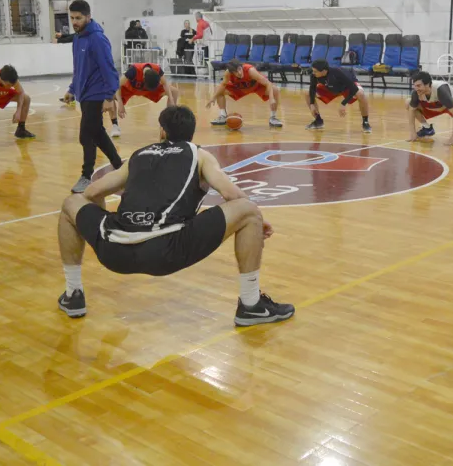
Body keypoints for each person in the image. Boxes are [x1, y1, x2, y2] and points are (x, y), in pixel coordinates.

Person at [56, 105, 296, 326]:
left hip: (114, 250)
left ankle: (73, 293)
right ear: (192, 133)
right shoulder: (200, 155)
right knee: (248, 210)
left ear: (162, 131)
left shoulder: (138, 155)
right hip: (166, 251)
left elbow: (91, 191)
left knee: (70, 203)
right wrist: (256, 220)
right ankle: (251, 305)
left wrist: (105, 220)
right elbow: (231, 194)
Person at [59, 0, 122, 194]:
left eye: (78, 18)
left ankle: (86, 176)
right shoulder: (78, 38)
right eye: (72, 18)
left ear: (88, 16)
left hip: (97, 93)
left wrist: (109, 97)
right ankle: (120, 167)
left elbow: (109, 69)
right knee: (97, 133)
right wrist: (72, 88)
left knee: (86, 134)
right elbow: (78, 68)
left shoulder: (97, 38)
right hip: (84, 94)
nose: (74, 22)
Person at [207, 59, 283, 128]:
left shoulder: (250, 70)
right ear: (232, 72)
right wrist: (213, 98)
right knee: (219, 90)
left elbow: (268, 83)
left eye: (239, 69)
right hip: (240, 88)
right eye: (236, 72)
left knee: (275, 90)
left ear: (241, 67)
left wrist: (271, 98)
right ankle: (223, 115)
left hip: (257, 87)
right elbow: (223, 85)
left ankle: (273, 117)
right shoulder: (228, 73)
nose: (239, 73)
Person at [112, 63, 180, 137]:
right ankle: (115, 125)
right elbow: (117, 85)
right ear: (143, 77)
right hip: (130, 89)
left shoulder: (157, 69)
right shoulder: (133, 71)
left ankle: (167, 125)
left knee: (174, 92)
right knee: (109, 96)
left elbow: (165, 84)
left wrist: (171, 100)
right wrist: (120, 103)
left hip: (149, 91)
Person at [306, 59, 370, 132]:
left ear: (323, 71)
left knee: (360, 94)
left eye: (315, 71)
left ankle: (365, 122)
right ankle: (318, 121)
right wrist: (311, 104)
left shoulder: (338, 72)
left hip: (347, 88)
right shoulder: (314, 75)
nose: (313, 73)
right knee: (308, 94)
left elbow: (354, 89)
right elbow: (312, 89)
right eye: (313, 71)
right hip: (331, 88)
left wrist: (343, 103)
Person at [407, 71, 453, 145]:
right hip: (433, 106)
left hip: (449, 105)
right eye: (415, 86)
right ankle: (427, 128)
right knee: (408, 103)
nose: (416, 88)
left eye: (419, 86)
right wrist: (413, 132)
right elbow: (411, 110)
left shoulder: (441, 89)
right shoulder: (416, 92)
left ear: (427, 85)